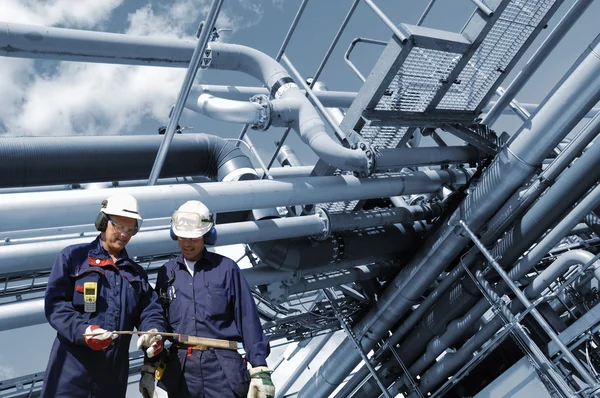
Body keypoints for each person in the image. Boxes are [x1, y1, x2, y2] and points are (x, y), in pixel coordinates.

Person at [41, 193, 167, 398]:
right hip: (69, 377)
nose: (124, 234)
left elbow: (150, 311)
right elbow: (56, 305)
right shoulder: (73, 258)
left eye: (131, 229)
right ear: (102, 222)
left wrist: (153, 332)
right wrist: (83, 330)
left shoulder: (136, 275)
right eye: (119, 226)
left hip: (111, 382)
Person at [152, 200, 275, 398]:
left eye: (193, 238)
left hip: (222, 370)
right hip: (182, 371)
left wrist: (260, 367)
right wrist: (150, 366)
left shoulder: (226, 269)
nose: (187, 243)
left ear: (207, 235)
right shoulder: (166, 273)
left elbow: (247, 319)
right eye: (182, 237)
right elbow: (157, 318)